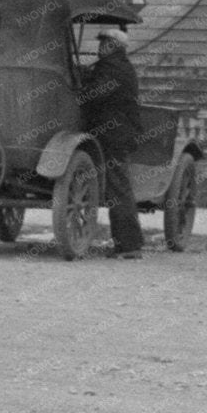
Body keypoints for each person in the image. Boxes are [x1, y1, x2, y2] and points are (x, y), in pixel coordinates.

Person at [77, 25, 146, 258]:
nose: (100, 48)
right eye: (100, 43)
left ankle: (129, 246)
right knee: (118, 187)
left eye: (104, 44)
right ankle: (128, 245)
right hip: (115, 134)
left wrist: (79, 92)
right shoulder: (115, 67)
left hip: (114, 136)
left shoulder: (115, 70)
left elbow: (95, 93)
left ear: (113, 47)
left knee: (119, 189)